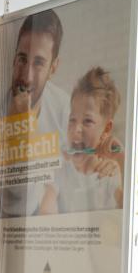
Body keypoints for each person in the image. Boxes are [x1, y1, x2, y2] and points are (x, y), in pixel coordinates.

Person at [0, 10, 70, 218]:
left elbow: (66, 165)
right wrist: (18, 123)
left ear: (53, 67)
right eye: (22, 59)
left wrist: (52, 192)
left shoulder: (63, 107)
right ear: (13, 57)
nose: (26, 76)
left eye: (38, 63)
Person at [38, 67, 124, 214]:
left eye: (87, 121)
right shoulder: (60, 171)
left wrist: (122, 159)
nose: (76, 128)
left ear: (106, 129)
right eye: (72, 120)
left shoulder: (110, 176)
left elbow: (127, 212)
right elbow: (46, 209)